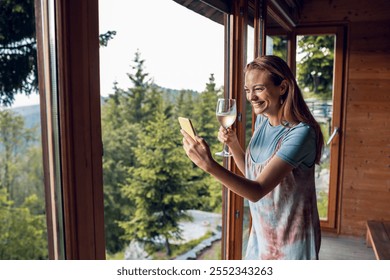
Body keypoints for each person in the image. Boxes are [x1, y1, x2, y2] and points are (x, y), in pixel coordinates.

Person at [181, 55, 323, 260]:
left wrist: (209, 165)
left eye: (259, 88)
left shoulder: (301, 134)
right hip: (261, 237)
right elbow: (252, 174)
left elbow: (257, 191)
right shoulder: (262, 122)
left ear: (282, 87)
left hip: (292, 243)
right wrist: (233, 144)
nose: (251, 97)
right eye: (248, 90)